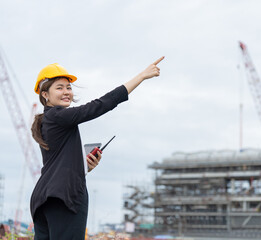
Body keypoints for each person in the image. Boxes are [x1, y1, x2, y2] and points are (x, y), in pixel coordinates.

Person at [30, 56, 164, 239]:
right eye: (59, 87)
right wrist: (141, 77)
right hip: (64, 200)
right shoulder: (58, 116)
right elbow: (99, 105)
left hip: (44, 200)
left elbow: (57, 166)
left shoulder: (46, 122)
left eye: (68, 87)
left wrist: (84, 167)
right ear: (45, 95)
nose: (66, 91)